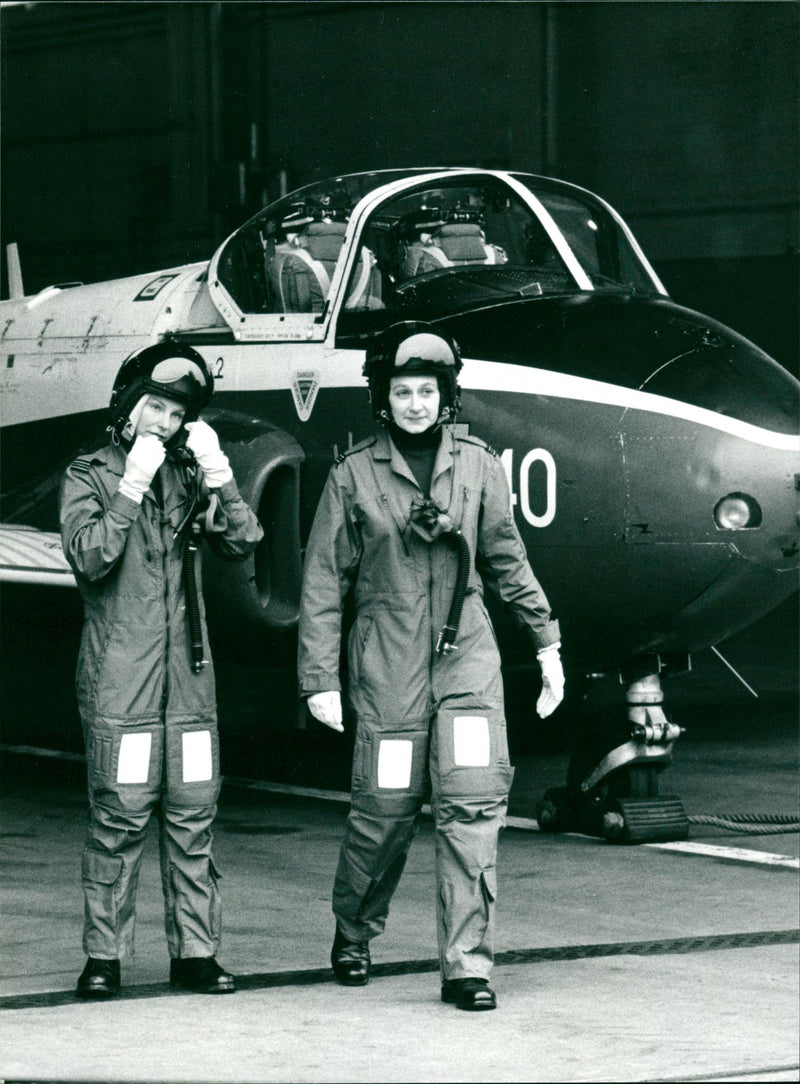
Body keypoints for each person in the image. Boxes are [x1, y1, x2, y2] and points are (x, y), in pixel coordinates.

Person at [297, 321, 564, 1011]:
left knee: (473, 806)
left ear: (446, 395)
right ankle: (353, 929)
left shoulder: (478, 465)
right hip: (387, 660)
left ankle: (467, 966)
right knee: (384, 810)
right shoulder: (352, 473)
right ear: (383, 398)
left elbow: (506, 557)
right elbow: (324, 584)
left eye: (427, 390)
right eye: (402, 390)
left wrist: (546, 642)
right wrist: (319, 680)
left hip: (466, 655)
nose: (415, 402)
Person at [60, 342, 263, 999]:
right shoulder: (87, 474)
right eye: (154, 407)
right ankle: (104, 957)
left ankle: (196, 954)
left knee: (193, 817)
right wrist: (130, 488)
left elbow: (242, 540)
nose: (164, 423)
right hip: (123, 681)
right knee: (118, 818)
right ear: (127, 405)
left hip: (189, 686)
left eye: (176, 415)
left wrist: (220, 473)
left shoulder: (188, 473)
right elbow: (91, 558)